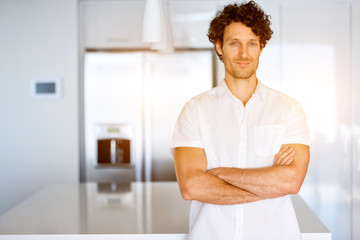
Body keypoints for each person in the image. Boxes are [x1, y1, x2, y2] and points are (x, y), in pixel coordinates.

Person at [170, 1, 310, 240]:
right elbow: (192, 186)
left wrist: (219, 173)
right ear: (219, 46)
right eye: (234, 43)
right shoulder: (195, 110)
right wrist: (269, 185)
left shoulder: (289, 109)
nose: (244, 54)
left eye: (252, 43)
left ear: (261, 47)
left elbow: (291, 182)